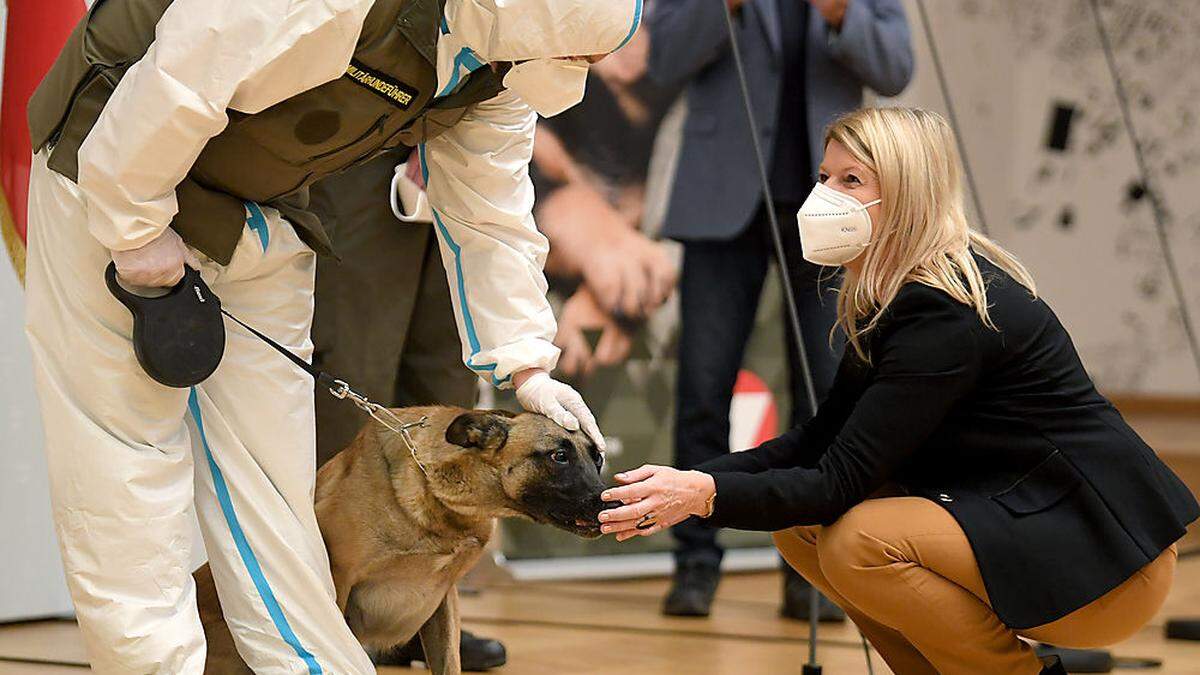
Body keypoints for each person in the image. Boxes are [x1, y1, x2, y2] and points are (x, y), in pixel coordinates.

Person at [23, 0, 640, 671]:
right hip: (110, 158)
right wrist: (134, 225)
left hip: (261, 204)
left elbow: (491, 210)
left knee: (277, 495)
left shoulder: (503, 61)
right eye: (578, 52)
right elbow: (182, 68)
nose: (596, 69)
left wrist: (529, 367)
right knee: (126, 470)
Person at [597, 107, 1200, 674]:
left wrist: (703, 495)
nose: (824, 197)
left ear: (907, 193)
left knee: (859, 541)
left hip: (1103, 558)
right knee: (804, 529)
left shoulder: (944, 312)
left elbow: (837, 482)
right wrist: (687, 483)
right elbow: (818, 442)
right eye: (824, 176)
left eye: (851, 180)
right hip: (1027, 520)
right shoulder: (894, 297)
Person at [646, 0, 913, 618]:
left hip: (831, 210)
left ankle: (811, 570)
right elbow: (663, 57)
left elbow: (896, 67)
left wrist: (845, 15)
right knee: (703, 388)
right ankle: (693, 563)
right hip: (722, 201)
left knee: (828, 394)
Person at [306, 148, 506, 671]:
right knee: (351, 384)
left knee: (446, 393)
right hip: (365, 143)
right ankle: (313, 619)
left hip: (461, 145)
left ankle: (412, 614)